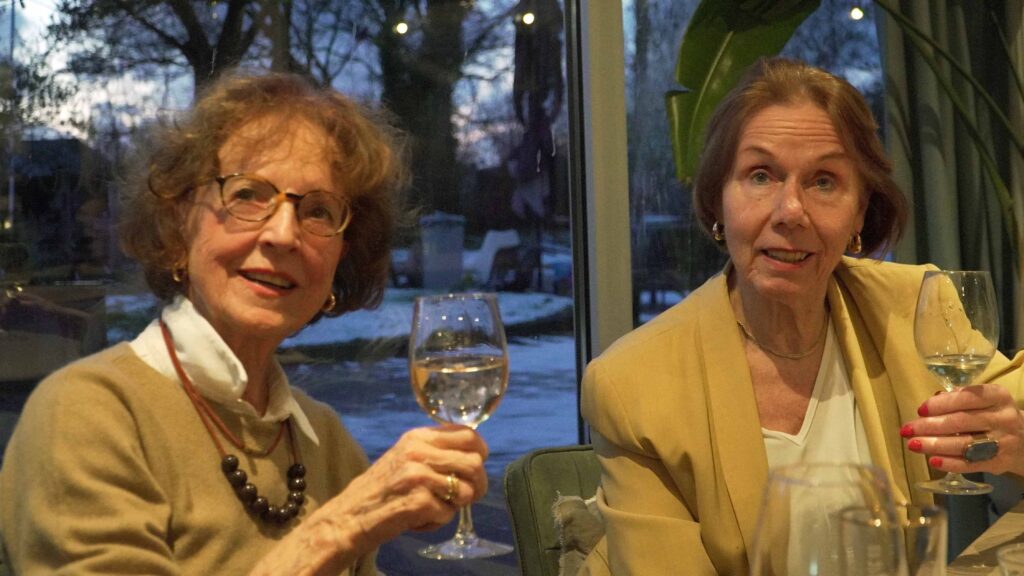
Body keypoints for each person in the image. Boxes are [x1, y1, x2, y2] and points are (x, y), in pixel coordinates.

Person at [0, 72, 491, 575]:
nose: (283, 234)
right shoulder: (86, 415)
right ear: (178, 224)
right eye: (248, 194)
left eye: (319, 211)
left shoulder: (326, 441)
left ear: (341, 257)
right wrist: (342, 526)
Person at [579, 57, 1024, 575]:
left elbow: (1009, 408)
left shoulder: (910, 307)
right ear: (718, 201)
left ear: (860, 211)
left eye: (824, 181)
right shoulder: (632, 386)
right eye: (760, 175)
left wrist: (1016, 444)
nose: (790, 211)